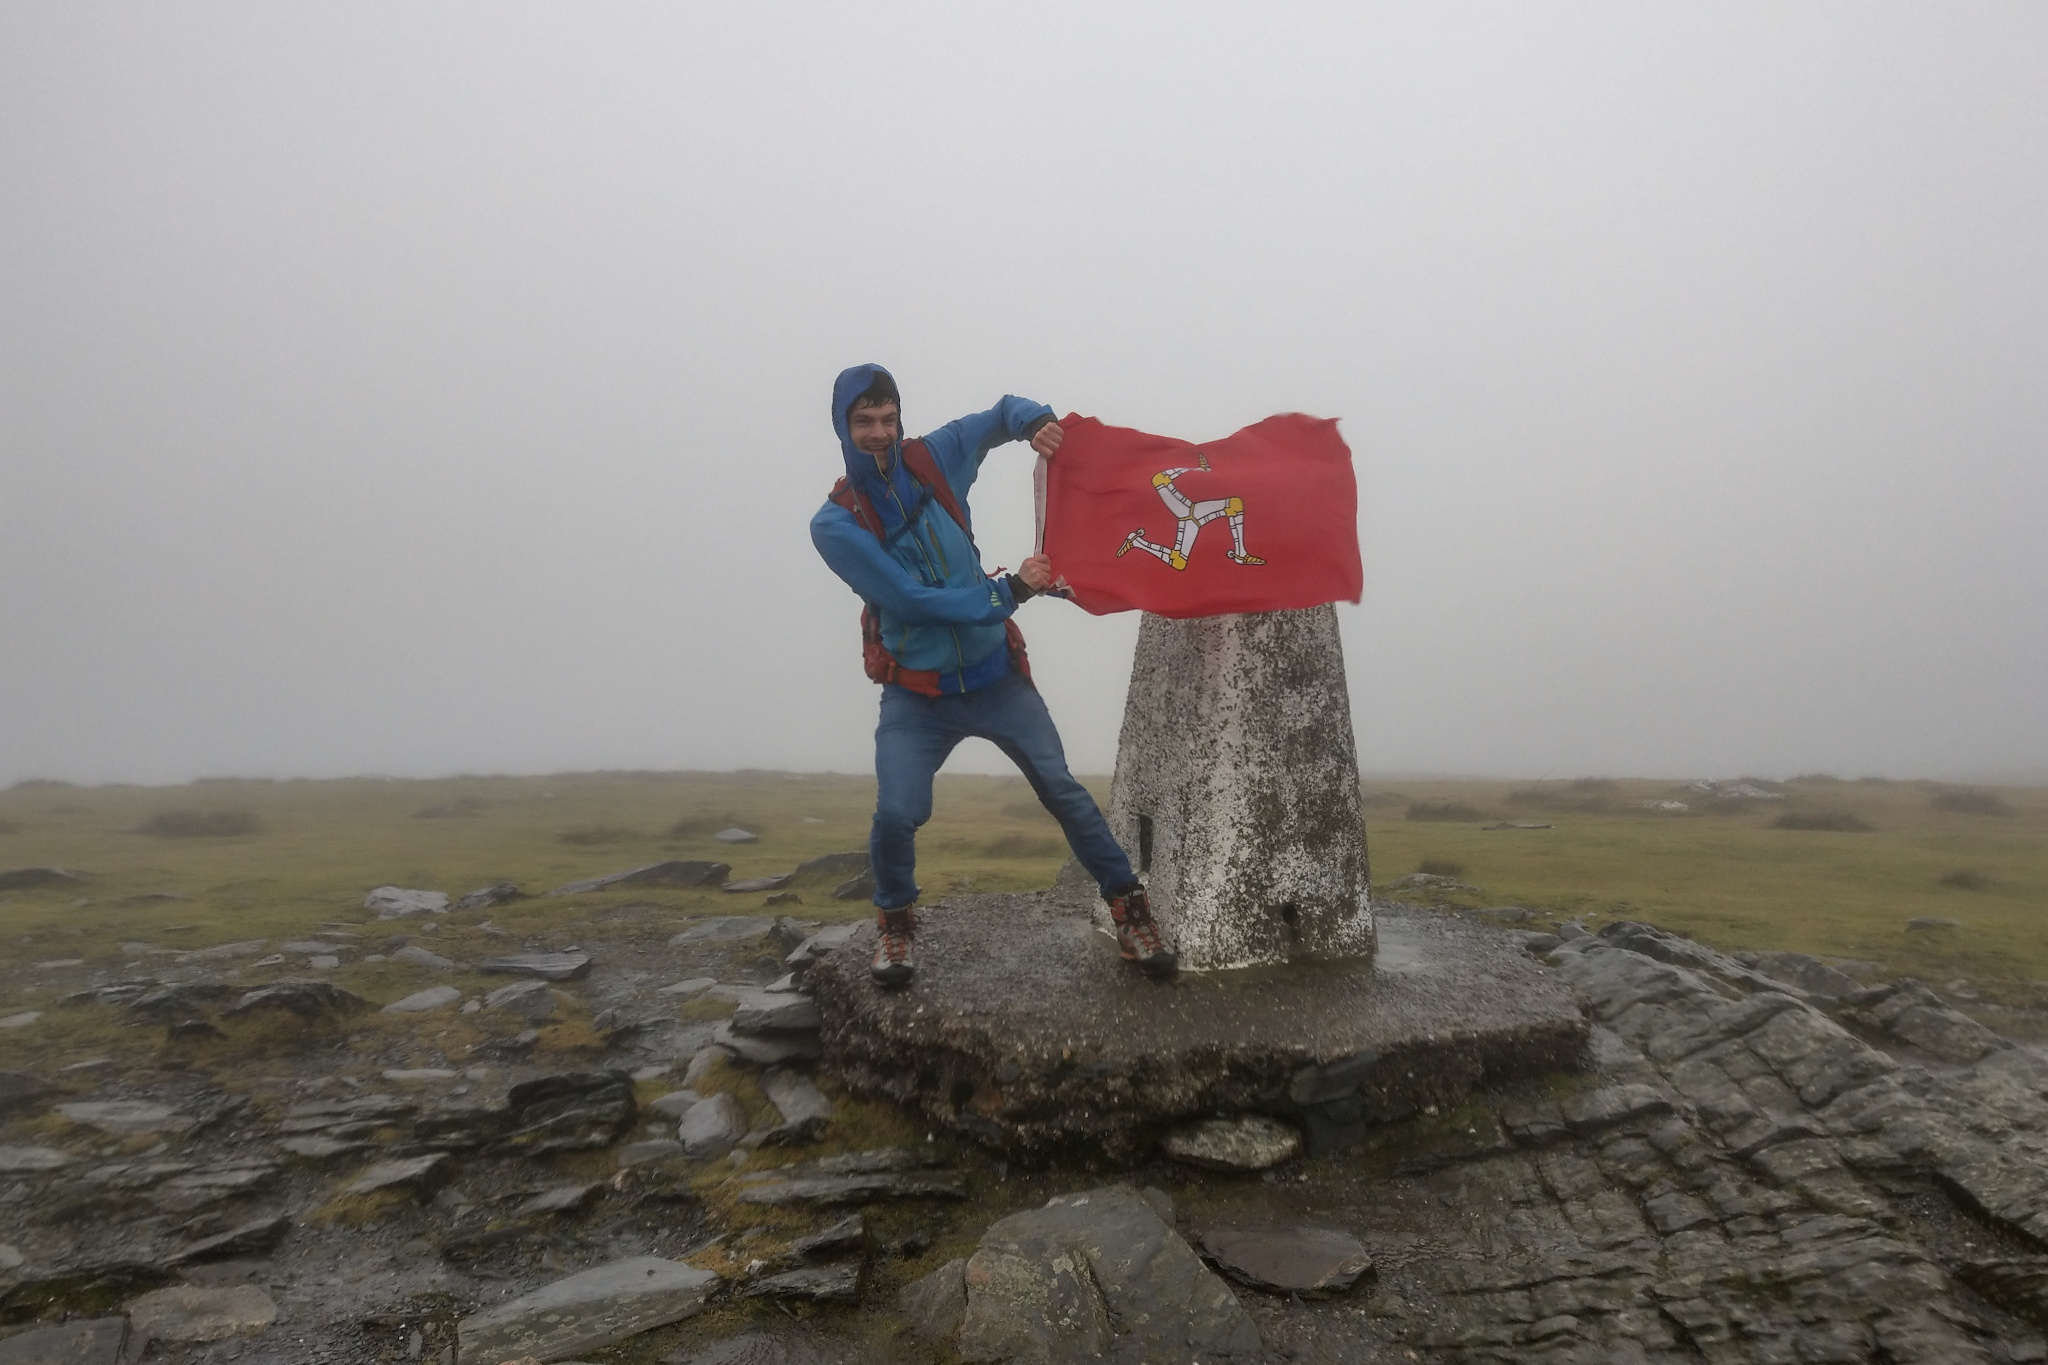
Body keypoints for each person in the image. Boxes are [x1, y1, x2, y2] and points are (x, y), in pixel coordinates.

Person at [810, 363, 1176, 987]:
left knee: (1062, 790)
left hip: (995, 677)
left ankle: (1130, 911)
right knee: (899, 812)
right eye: (864, 420)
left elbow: (1002, 410)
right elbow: (905, 600)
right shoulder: (837, 525)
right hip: (917, 697)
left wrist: (1034, 422)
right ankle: (895, 927)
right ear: (843, 427)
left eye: (888, 418)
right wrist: (1009, 592)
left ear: (900, 417)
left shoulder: (934, 457)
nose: (879, 432)